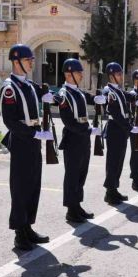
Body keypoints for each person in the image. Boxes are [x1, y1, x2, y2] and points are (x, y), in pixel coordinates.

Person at [0, 44, 54, 251]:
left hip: (33, 140)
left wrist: (51, 97)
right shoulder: (9, 88)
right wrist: (34, 133)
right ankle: (19, 233)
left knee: (33, 185)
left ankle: (28, 226)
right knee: (21, 187)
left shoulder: (29, 86)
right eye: (28, 59)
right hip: (22, 141)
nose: (32, 62)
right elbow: (10, 121)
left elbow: (46, 96)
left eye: (32, 59)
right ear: (16, 61)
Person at [55, 58, 106, 223]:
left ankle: (77, 205)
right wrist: (89, 130)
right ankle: (71, 209)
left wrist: (99, 98)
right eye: (78, 72)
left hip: (83, 139)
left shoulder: (77, 91)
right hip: (73, 139)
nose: (81, 75)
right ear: (68, 74)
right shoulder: (63, 95)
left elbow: (88, 97)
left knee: (81, 174)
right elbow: (69, 122)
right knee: (72, 175)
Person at [102, 62, 131, 205]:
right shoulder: (108, 91)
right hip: (115, 128)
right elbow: (114, 112)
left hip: (121, 129)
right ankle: (109, 192)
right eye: (118, 74)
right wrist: (128, 126)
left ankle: (114, 189)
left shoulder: (118, 91)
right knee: (113, 162)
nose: (121, 76)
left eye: (121, 73)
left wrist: (137, 97)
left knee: (119, 161)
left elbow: (128, 97)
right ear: (111, 75)